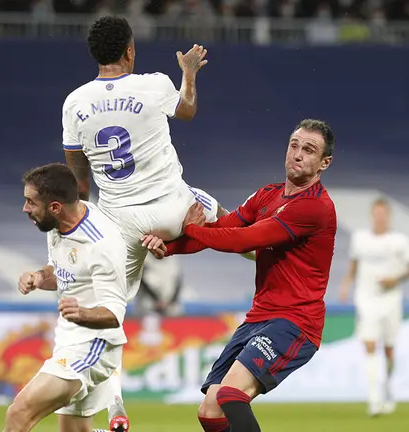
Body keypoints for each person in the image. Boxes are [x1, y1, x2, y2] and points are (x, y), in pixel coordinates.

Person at [142, 119, 337, 432]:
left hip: (296, 321)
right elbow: (223, 229)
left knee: (232, 395)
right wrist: (168, 246)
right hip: (260, 317)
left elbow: (243, 240)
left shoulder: (315, 208)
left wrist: (192, 228)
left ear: (323, 163)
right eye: (294, 145)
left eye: (309, 150)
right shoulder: (267, 195)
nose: (297, 154)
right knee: (210, 411)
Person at [62, 16, 208, 431]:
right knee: (230, 221)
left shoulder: (75, 102)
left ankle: (115, 407)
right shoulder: (155, 83)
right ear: (129, 50)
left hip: (116, 220)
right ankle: (273, 256)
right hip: (171, 208)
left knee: (110, 312)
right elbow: (188, 111)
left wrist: (88, 213)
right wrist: (189, 74)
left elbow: (77, 169)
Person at [5, 163, 129, 432]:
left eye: (30, 202)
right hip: (68, 340)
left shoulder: (102, 244)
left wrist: (81, 313)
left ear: (55, 207)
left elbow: (114, 314)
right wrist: (39, 277)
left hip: (95, 345)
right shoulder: (55, 225)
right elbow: (62, 272)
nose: (25, 209)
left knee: (19, 413)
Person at [339, 198, 409, 416]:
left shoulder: (400, 241)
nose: (380, 218)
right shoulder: (360, 238)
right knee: (370, 345)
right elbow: (353, 265)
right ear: (372, 215)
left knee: (389, 349)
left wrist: (395, 279)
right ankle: (374, 400)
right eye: (376, 214)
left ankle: (389, 389)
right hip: (366, 299)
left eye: (383, 214)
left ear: (389, 216)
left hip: (391, 300)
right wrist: (346, 286)